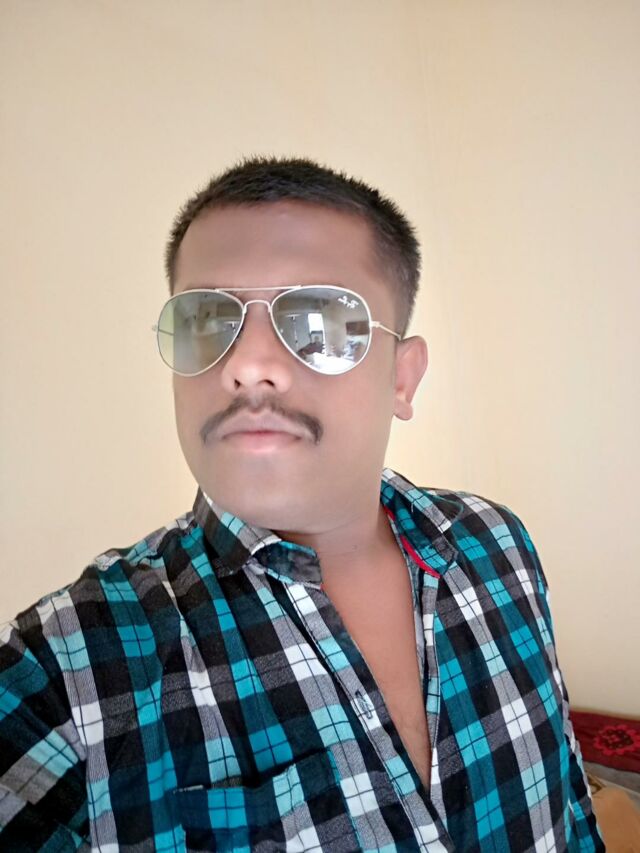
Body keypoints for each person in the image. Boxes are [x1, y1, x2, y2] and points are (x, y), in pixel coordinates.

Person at [0, 157, 603, 851]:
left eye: (321, 320)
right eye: (206, 321)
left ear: (402, 378)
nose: (248, 364)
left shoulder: (497, 545)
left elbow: (570, 806)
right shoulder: (69, 666)